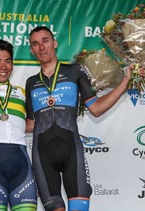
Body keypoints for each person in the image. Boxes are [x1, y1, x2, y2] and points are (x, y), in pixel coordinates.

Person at [25, 26, 140, 211]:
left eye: (45, 40)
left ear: (55, 43)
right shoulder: (31, 82)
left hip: (72, 152)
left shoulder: (74, 71)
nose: (41, 47)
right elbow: (30, 124)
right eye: (35, 44)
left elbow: (96, 108)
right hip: (42, 155)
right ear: (31, 50)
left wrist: (125, 82)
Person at [0, 39, 38, 211]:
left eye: (8, 61)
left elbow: (32, 124)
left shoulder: (23, 92)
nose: (3, 66)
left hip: (21, 158)